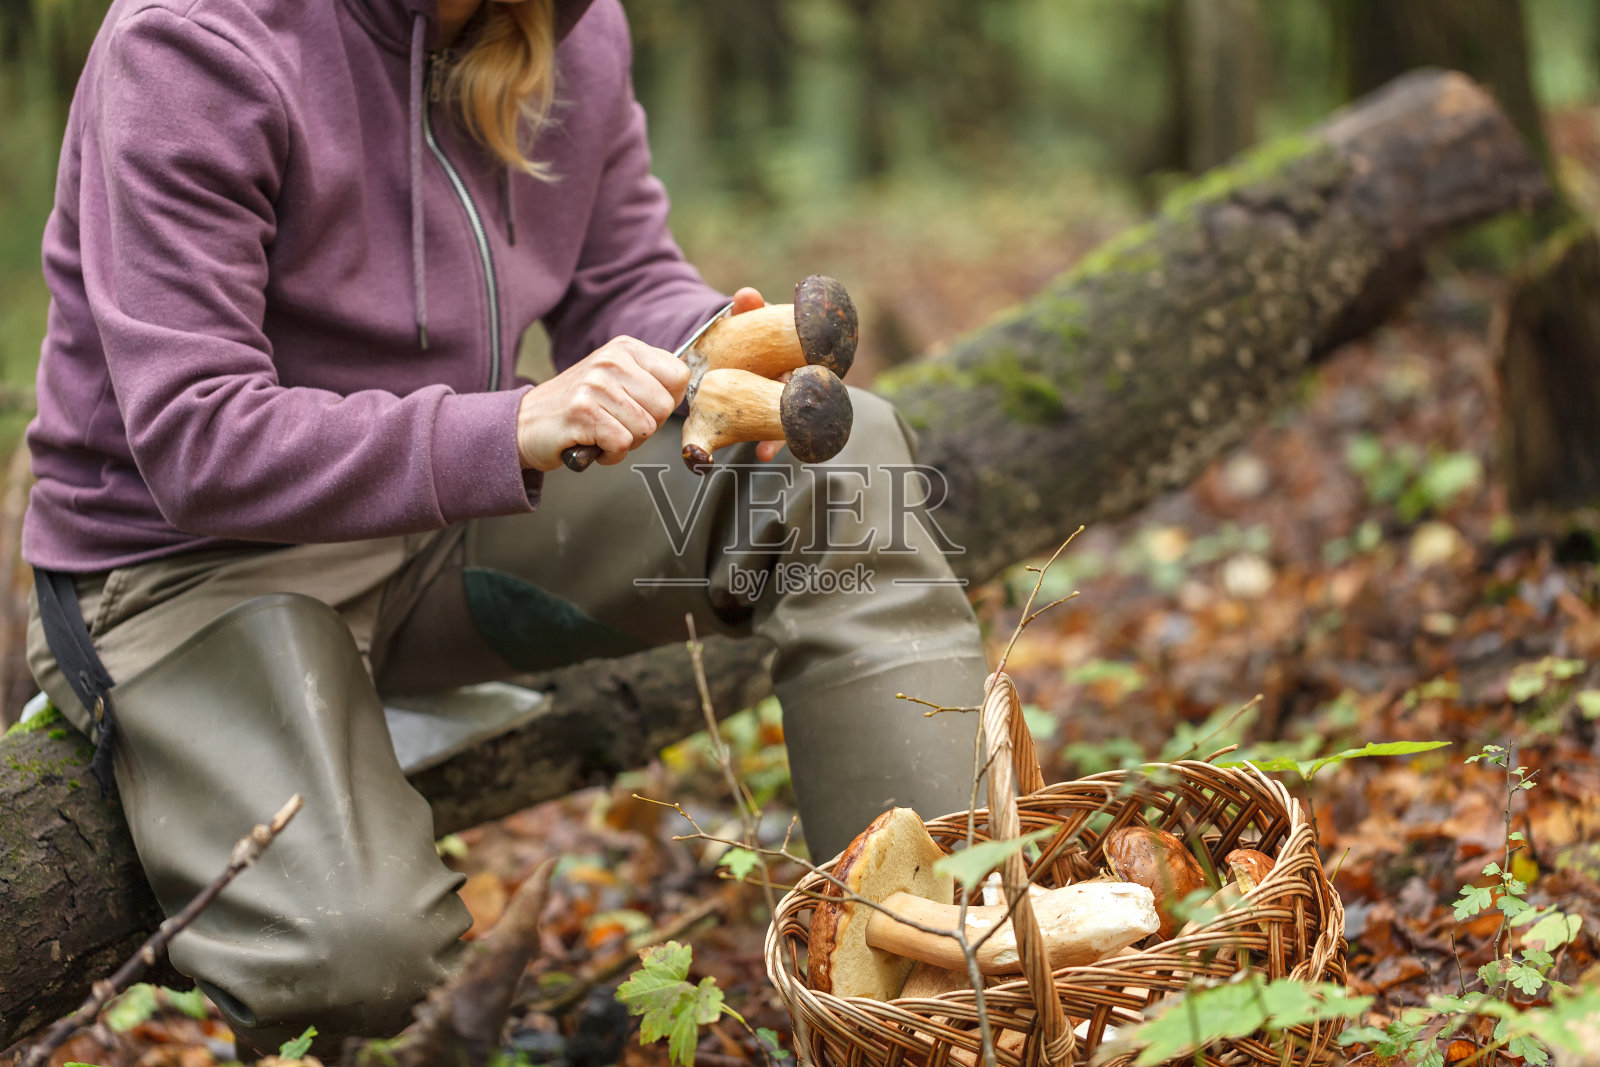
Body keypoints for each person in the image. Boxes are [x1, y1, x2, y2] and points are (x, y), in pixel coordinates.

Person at [22, 0, 986, 1053]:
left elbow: (616, 276)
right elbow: (194, 441)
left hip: (445, 521)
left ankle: (938, 994)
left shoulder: (573, 26)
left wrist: (700, 341)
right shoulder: (196, 44)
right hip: (188, 567)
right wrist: (514, 422)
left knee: (840, 467)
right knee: (363, 959)